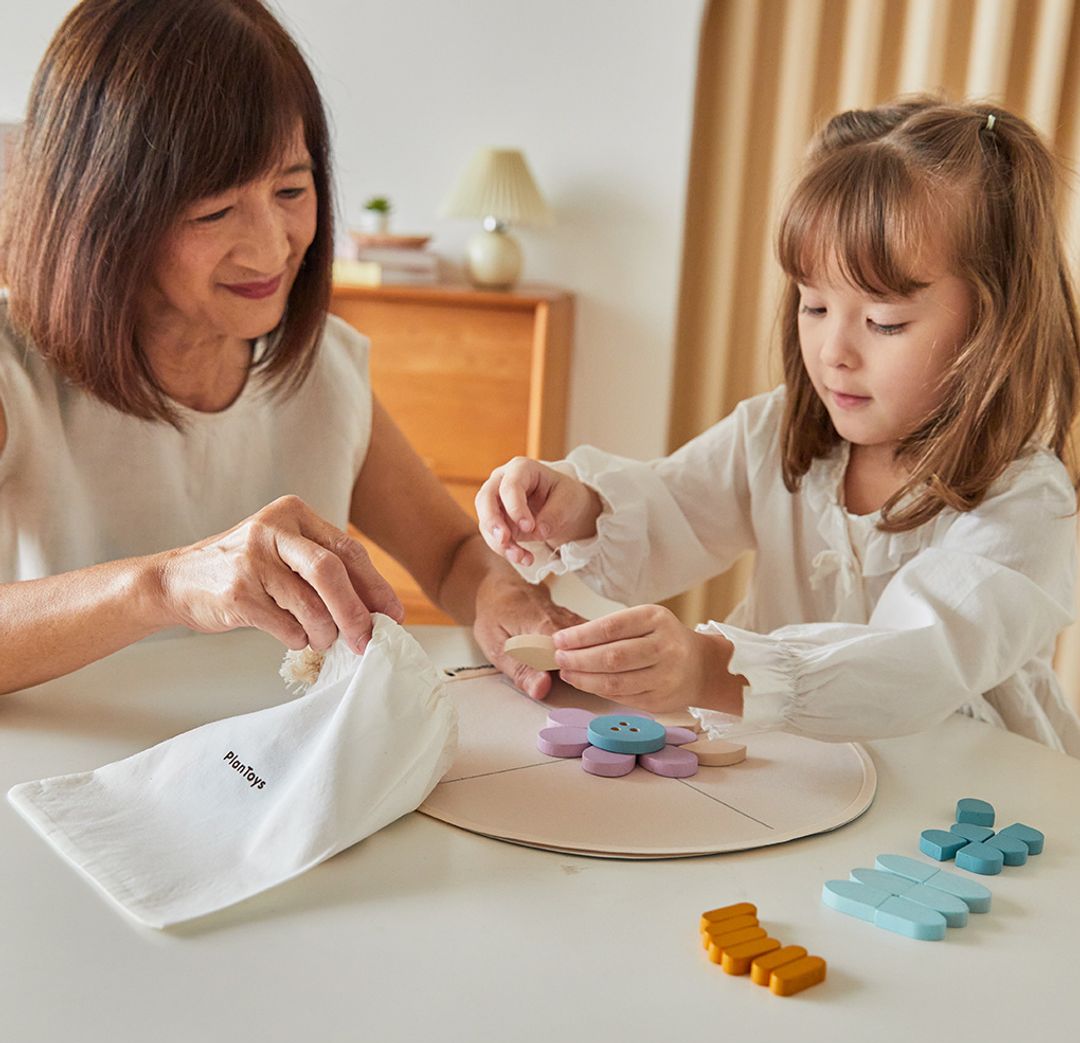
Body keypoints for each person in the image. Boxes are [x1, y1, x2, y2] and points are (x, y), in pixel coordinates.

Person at [0, 0, 577, 698]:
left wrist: (504, 599)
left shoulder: (323, 367)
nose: (272, 246)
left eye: (292, 189)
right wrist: (163, 587)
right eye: (215, 210)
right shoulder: (14, 374)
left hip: (273, 757)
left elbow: (454, 554)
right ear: (101, 211)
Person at [476, 97, 1080, 756]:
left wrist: (713, 669)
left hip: (968, 779)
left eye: (884, 322)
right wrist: (581, 508)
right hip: (799, 771)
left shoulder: (1029, 502)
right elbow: (674, 506)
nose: (833, 351)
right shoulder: (776, 431)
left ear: (993, 326)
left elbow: (919, 660)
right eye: (814, 305)